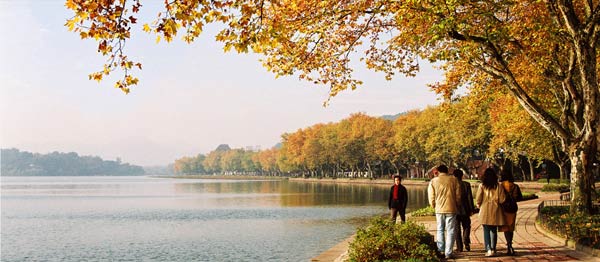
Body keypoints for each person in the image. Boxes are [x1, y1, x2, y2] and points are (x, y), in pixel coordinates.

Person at [427, 164, 461, 259]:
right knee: (450, 230)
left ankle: (441, 250)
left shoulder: (433, 181)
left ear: (438, 171)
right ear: (447, 171)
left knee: (440, 229)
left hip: (439, 209)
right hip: (451, 208)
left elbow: (431, 196)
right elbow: (458, 196)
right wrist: (456, 204)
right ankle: (448, 252)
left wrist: (433, 205)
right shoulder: (454, 180)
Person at [476, 167, 507, 257]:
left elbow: (478, 199)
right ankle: (493, 249)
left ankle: (488, 249)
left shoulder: (482, 185)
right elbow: (502, 200)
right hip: (496, 210)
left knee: (486, 230)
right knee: (493, 230)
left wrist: (478, 205)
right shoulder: (498, 186)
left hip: (485, 210)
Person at [499, 170, 523, 256]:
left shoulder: (500, 186)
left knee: (506, 228)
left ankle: (508, 244)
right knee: (511, 227)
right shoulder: (515, 186)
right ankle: (510, 244)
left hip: (503, 209)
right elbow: (519, 197)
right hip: (512, 209)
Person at [453, 169, 475, 252]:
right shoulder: (466, 184)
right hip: (465, 209)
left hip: (455, 209)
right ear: (462, 176)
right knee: (466, 226)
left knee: (456, 228)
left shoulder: (452, 185)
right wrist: (471, 209)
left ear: (454, 176)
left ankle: (459, 247)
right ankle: (466, 240)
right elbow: (470, 198)